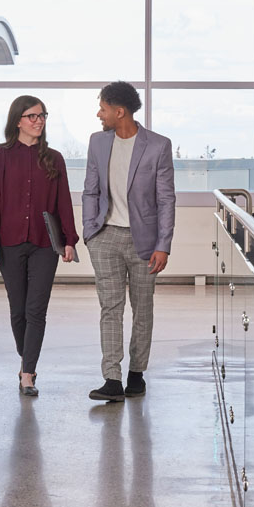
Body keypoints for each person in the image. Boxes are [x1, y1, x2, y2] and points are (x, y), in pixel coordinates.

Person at [83, 81, 176, 402]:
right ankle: (111, 378)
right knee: (110, 307)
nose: (99, 114)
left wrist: (163, 244)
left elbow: (166, 199)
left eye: (103, 109)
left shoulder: (158, 146)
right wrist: (90, 232)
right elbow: (90, 191)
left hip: (145, 242)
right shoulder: (97, 142)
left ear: (119, 111)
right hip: (105, 237)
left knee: (142, 308)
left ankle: (137, 372)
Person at [0, 96, 78, 397]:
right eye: (32, 116)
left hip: (44, 243)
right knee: (18, 310)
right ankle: (27, 358)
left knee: (36, 309)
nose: (39, 121)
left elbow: (64, 202)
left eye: (42, 115)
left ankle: (28, 373)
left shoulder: (54, 158)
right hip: (9, 242)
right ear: (18, 121)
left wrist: (70, 240)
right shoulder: (1, 156)